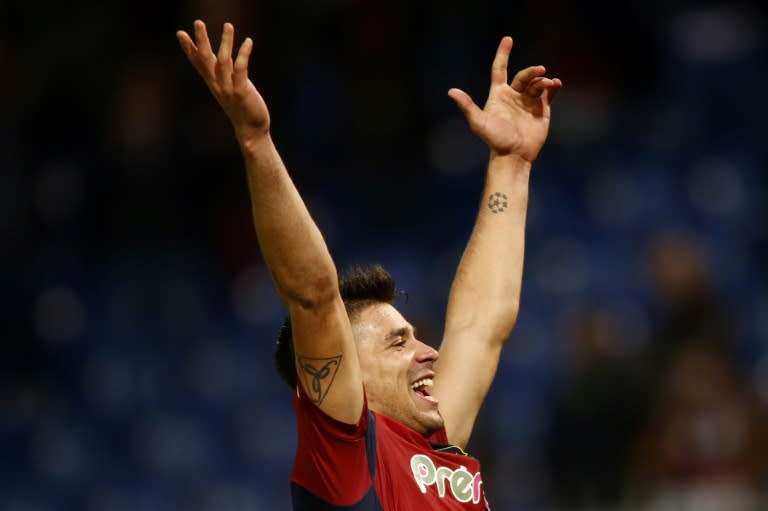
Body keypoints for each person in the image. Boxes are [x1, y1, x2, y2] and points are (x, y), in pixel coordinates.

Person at [176, 19, 562, 510]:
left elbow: (480, 324)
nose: (429, 352)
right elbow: (313, 296)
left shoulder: (438, 442)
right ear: (343, 377)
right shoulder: (346, 454)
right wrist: (256, 140)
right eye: (398, 343)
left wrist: (511, 164)